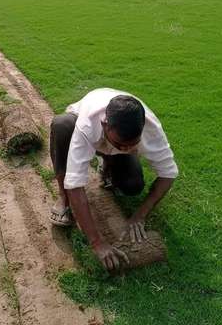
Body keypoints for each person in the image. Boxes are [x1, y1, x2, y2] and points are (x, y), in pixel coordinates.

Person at [49, 88, 178, 271]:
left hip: (109, 138)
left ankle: (107, 168)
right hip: (76, 125)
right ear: (104, 124)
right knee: (61, 125)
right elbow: (75, 183)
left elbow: (169, 173)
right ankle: (63, 198)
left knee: (133, 186)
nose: (125, 149)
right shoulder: (87, 125)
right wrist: (97, 243)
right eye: (120, 145)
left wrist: (140, 216)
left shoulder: (151, 128)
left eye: (132, 144)